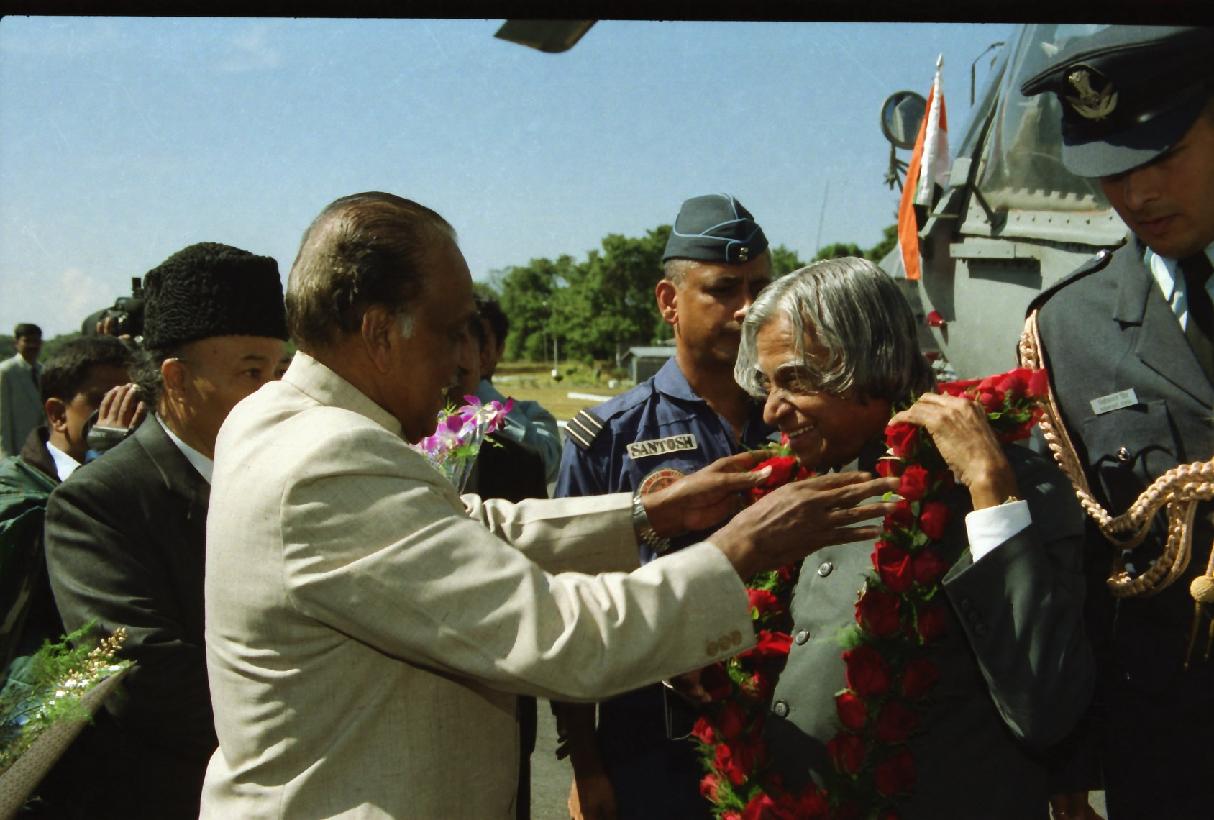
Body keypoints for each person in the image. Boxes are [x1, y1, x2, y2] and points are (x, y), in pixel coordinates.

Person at [199, 191, 901, 819]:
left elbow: (468, 527)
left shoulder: (281, 418)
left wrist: (647, 514)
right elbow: (563, 637)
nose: (464, 361)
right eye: (451, 331)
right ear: (381, 333)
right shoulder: (328, 459)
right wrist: (739, 548)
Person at [735, 257, 1092, 819]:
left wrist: (991, 493)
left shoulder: (1002, 482)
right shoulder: (799, 482)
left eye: (796, 380)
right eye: (767, 384)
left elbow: (1044, 707)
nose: (772, 411)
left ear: (868, 360)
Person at [1019, 25, 1214, 820]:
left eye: (1163, 155)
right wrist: (1066, 759)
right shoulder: (1067, 332)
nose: (1137, 195)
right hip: (1170, 753)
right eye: (1111, 171)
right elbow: (1071, 567)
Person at [43, 242, 289, 818]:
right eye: (252, 373)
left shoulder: (283, 476)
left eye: (280, 373)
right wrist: (312, 725)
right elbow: (144, 677)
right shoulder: (99, 503)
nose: (275, 396)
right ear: (176, 380)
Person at [556, 193, 776, 819]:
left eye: (760, 288)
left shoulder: (799, 419)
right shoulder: (609, 437)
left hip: (784, 740)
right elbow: (567, 607)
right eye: (723, 289)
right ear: (668, 302)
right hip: (652, 751)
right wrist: (587, 766)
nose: (747, 308)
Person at [0, 335, 138, 675]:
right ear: (58, 414)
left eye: (132, 400)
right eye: (102, 402)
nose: (122, 414)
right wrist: (101, 472)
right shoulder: (14, 489)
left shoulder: (147, 474)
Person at [473, 292, 563, 483]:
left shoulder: (534, 417)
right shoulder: (425, 416)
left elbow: (543, 463)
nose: (472, 349)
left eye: (480, 338)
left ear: (498, 349)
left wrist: (477, 389)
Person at [1, 323, 44, 458]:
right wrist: (4, 457)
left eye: (36, 341)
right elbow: (2, 418)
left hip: (40, 450)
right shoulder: (6, 371)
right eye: (27, 341)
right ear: (16, 343)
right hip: (16, 451)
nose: (32, 345)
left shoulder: (43, 371)